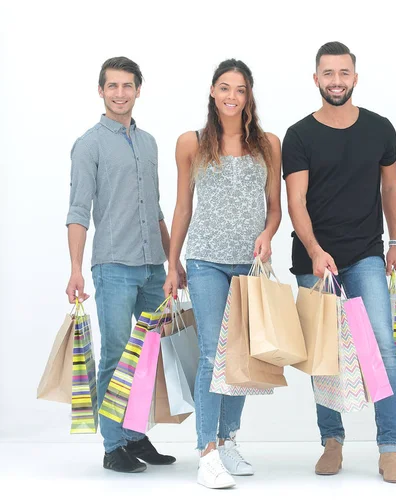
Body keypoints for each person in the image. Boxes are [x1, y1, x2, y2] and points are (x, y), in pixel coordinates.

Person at [282, 41, 396, 483]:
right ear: (315, 79)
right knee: (324, 354)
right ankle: (331, 441)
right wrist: (316, 252)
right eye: (328, 74)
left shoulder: (379, 128)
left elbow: (390, 189)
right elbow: (295, 200)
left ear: (355, 77)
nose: (336, 81)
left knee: (382, 348)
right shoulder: (298, 135)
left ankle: (389, 447)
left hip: (366, 255)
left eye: (343, 73)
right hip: (314, 260)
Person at [163, 59, 281, 489]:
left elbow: (274, 208)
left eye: (241, 89)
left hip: (250, 264)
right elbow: (182, 207)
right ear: (213, 92)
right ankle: (207, 452)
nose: (232, 96)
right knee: (214, 353)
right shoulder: (191, 143)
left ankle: (228, 439)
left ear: (249, 96)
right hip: (206, 261)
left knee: (242, 356)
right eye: (225, 88)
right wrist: (173, 263)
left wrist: (268, 235)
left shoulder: (268, 143)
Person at [65, 56, 183, 473]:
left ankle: (135, 434)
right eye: (111, 86)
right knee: (117, 356)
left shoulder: (149, 143)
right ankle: (113, 445)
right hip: (113, 267)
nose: (119, 93)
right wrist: (76, 269)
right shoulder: (89, 144)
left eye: (127, 86)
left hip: (154, 267)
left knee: (150, 356)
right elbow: (78, 211)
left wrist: (173, 261)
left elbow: (156, 210)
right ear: (101, 90)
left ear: (138, 90)